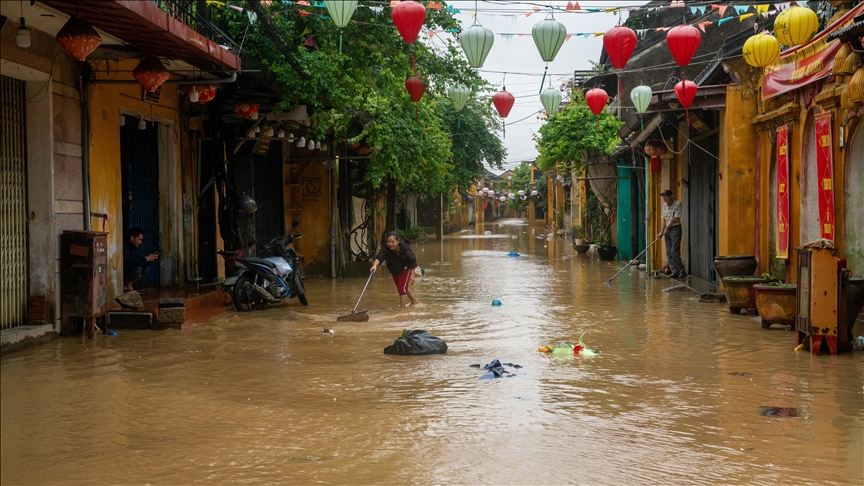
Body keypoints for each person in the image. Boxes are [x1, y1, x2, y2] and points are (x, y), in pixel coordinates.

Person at [370, 231, 420, 308]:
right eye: (388, 242)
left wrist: (412, 275)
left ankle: (402, 309)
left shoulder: (406, 251)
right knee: (402, 286)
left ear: (398, 241)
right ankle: (414, 301)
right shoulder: (386, 248)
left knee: (402, 287)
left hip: (405, 268)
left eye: (393, 242)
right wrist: (374, 266)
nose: (390, 244)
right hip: (394, 269)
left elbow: (412, 261)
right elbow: (380, 257)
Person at [656, 189, 686, 278]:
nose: (664, 198)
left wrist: (668, 228)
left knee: (674, 252)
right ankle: (675, 271)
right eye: (663, 196)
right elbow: (664, 219)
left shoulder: (677, 204)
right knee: (669, 252)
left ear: (671, 196)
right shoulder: (664, 206)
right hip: (667, 230)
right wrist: (661, 231)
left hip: (675, 229)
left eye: (666, 196)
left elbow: (676, 218)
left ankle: (682, 271)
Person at [123, 227, 158, 291]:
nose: (140, 242)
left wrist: (150, 259)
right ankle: (124, 285)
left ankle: (128, 284)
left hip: (129, 268)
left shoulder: (134, 247)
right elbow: (129, 262)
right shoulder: (125, 247)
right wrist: (146, 259)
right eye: (139, 239)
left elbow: (138, 259)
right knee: (137, 269)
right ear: (132, 238)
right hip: (124, 270)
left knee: (146, 268)